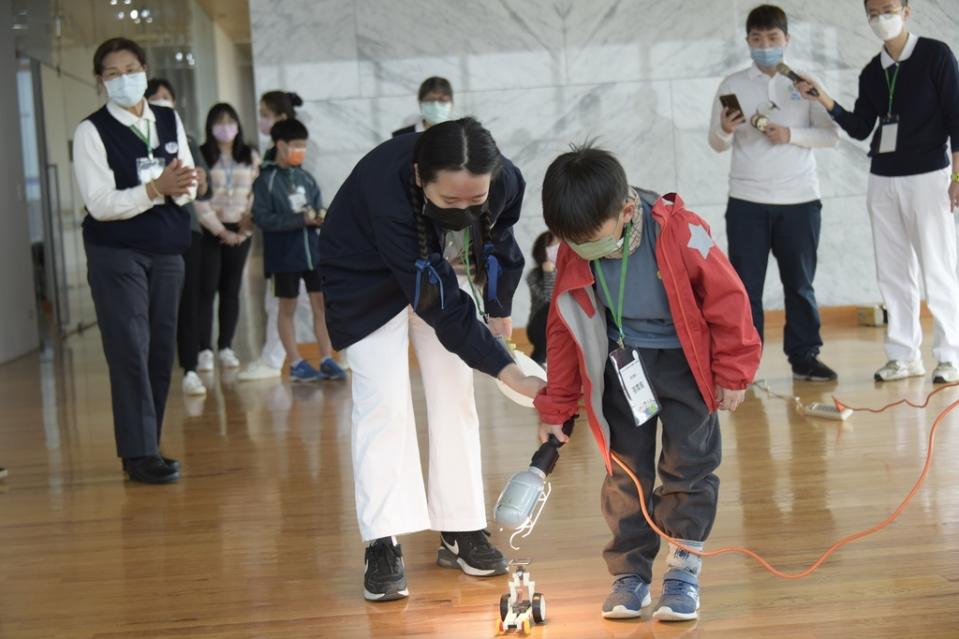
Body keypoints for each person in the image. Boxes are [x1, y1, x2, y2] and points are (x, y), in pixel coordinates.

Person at [318, 117, 543, 601]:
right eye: (450, 202)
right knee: (384, 404)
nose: (465, 209)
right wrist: (506, 370)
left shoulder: (504, 180)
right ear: (421, 177)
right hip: (363, 275)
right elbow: (437, 301)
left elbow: (501, 237)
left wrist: (499, 306)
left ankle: (460, 527)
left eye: (474, 200)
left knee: (455, 391)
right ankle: (383, 537)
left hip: (434, 266)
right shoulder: (388, 193)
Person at [533, 145, 761, 621]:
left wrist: (734, 371)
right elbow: (562, 329)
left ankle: (682, 568)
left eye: (594, 240)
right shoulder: (577, 249)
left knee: (689, 466)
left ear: (627, 211)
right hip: (622, 366)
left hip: (684, 364)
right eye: (573, 244)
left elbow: (729, 298)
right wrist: (556, 407)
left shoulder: (680, 230)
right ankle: (629, 574)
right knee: (625, 470)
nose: (584, 252)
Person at [795, 0, 959, 384]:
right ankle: (904, 355)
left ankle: (950, 355)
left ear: (906, 11)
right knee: (892, 271)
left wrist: (958, 178)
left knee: (938, 267)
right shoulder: (872, 72)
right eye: (873, 13)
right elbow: (859, 127)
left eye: (888, 9)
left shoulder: (936, 55)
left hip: (930, 176)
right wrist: (823, 99)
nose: (880, 18)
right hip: (882, 179)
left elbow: (957, 117)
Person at [73, 38, 197, 483]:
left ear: (144, 69)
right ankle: (139, 452)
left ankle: (148, 444)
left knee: (161, 349)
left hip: (166, 247)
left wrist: (180, 185)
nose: (123, 78)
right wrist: (154, 189)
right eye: (111, 72)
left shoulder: (167, 117)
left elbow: (187, 184)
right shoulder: (92, 131)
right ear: (100, 81)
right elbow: (100, 203)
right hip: (115, 251)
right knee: (130, 347)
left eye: (130, 68)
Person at [708, 4, 839, 382]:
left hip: (799, 200)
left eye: (773, 38)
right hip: (747, 201)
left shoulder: (803, 82)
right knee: (744, 287)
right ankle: (744, 364)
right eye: (757, 39)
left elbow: (831, 135)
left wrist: (791, 135)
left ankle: (804, 357)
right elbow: (716, 143)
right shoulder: (732, 84)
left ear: (787, 40)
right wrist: (725, 129)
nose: (765, 45)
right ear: (747, 41)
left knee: (799, 284)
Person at [251, 118, 346, 382]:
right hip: (284, 256)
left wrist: (321, 216)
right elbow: (261, 217)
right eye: (296, 145)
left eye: (303, 146)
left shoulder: (306, 177)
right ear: (280, 145)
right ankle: (295, 363)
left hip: (313, 254)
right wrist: (298, 220)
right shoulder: (266, 180)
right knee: (287, 308)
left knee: (321, 306)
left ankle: (327, 358)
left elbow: (318, 207)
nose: (300, 151)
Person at [237, 90, 313, 381]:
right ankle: (276, 357)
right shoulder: (270, 159)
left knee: (286, 304)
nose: (262, 121)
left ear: (281, 118)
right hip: (284, 241)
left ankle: (275, 359)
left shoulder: (284, 159)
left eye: (266, 114)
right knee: (283, 305)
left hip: (293, 243)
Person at [145, 78, 211, 398]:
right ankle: (154, 371)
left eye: (167, 97)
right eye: (155, 97)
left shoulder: (187, 138)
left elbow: (201, 186)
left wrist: (197, 180)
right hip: (146, 232)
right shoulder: (139, 141)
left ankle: (190, 369)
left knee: (188, 302)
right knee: (151, 307)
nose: (161, 102)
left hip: (187, 230)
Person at [194, 103, 259, 373]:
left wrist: (244, 228)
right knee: (206, 291)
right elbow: (197, 197)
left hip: (241, 231)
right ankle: (204, 350)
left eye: (230, 121)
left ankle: (226, 347)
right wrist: (220, 231)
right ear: (210, 127)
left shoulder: (249, 155)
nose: (225, 127)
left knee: (231, 291)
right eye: (219, 121)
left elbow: (256, 192)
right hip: (210, 231)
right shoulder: (202, 155)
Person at [526, 230, 558, 366]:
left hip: (558, 325)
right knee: (550, 309)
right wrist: (549, 273)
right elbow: (549, 298)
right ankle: (537, 366)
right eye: (553, 247)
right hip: (539, 326)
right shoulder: (533, 276)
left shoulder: (567, 272)